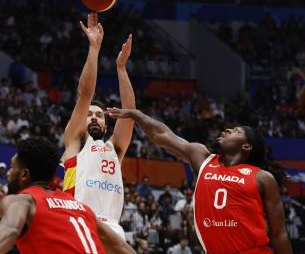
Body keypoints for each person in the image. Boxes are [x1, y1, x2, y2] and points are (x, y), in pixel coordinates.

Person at [106, 108, 293, 254]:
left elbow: (279, 234)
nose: (227, 129)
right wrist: (137, 115)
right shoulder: (203, 159)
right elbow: (162, 135)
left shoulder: (262, 177)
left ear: (246, 146)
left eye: (236, 131)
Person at [0, 138, 135, 254]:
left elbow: (9, 229)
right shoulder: (81, 208)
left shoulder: (23, 200)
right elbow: (122, 248)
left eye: (11, 167)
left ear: (24, 174)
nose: (8, 173)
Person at [62, 12, 136, 239]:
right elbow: (85, 95)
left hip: (113, 229)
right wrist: (94, 48)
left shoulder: (114, 149)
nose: (94, 117)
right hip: (77, 222)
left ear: (106, 125)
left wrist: (121, 69)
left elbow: (130, 113)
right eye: (90, 115)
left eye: (100, 115)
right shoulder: (74, 141)